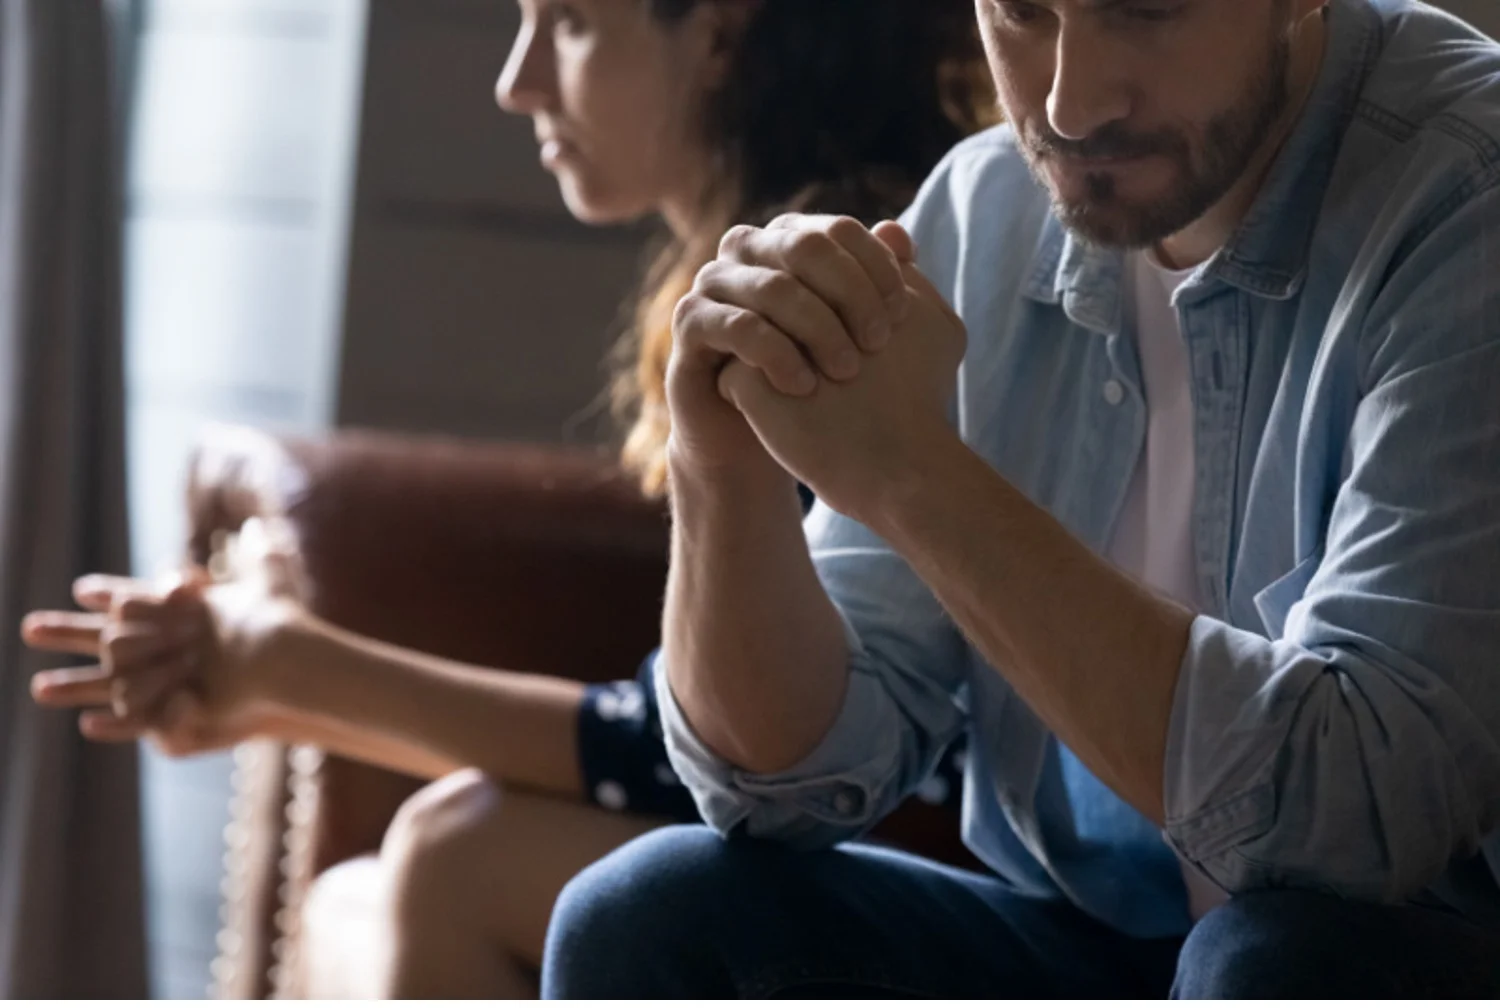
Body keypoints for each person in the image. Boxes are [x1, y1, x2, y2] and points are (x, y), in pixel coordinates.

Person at [19, 0, 992, 998]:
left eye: (566, 23)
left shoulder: (838, 289)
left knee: (460, 854)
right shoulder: (751, 273)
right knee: (358, 908)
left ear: (717, 31)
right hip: (834, 837)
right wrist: (271, 679)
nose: (516, 82)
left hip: (939, 865)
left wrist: (289, 673)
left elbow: (713, 755)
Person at [536, 0, 1500, 998]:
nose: (1071, 104)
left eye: (1147, 10)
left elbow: (1360, 825)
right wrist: (720, 464)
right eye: (1023, 13)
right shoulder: (987, 208)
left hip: (1413, 950)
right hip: (1110, 941)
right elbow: (780, 782)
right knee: (656, 914)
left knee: (1274, 964)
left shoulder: (1469, 193)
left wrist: (918, 478)